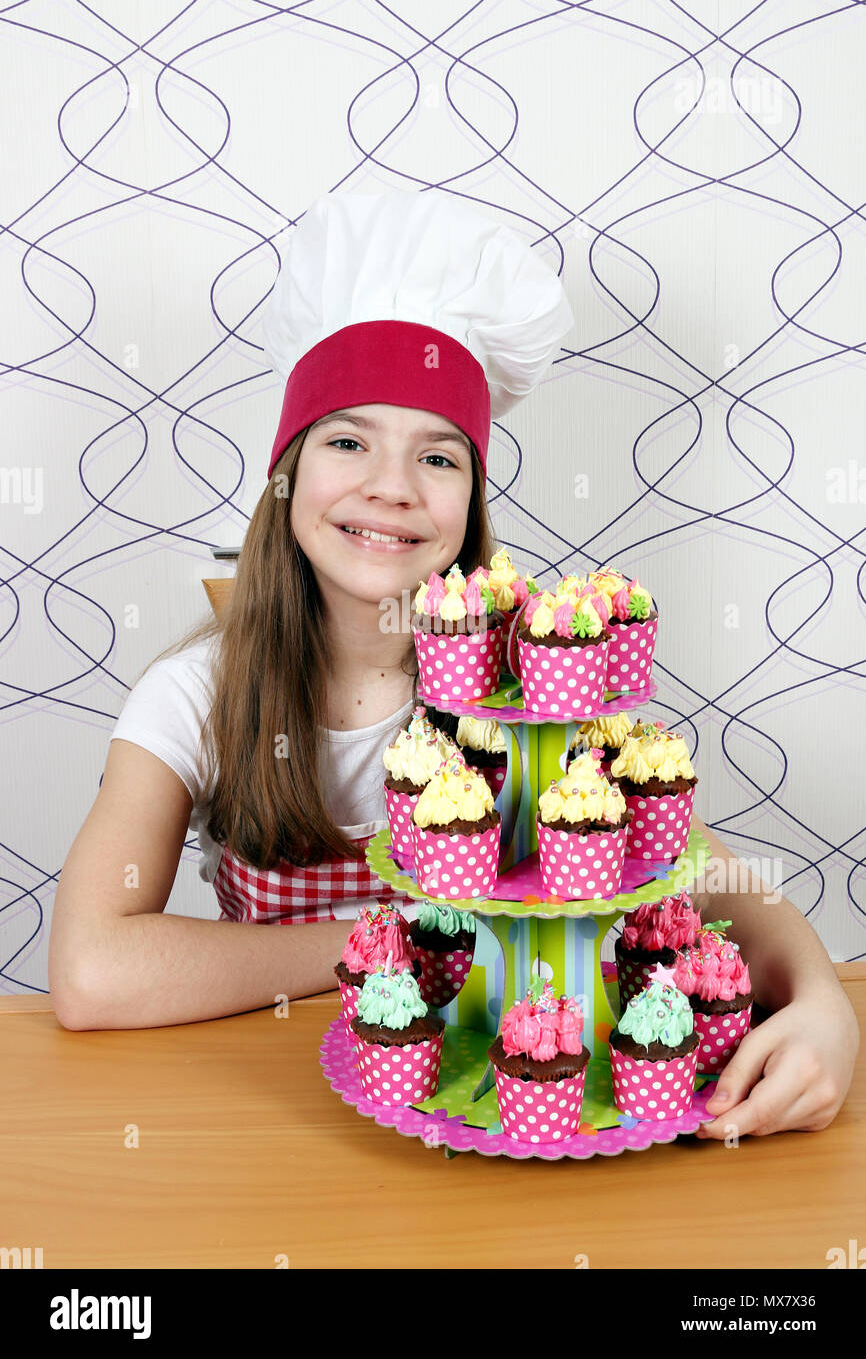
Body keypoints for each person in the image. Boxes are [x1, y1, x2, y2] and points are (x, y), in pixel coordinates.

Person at [48, 192, 859, 1139]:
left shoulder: (534, 690)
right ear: (286, 475)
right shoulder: (198, 697)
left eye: (437, 457)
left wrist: (824, 1005)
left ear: (471, 499)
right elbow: (93, 971)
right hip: (279, 1106)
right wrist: (384, 949)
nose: (390, 487)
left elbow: (705, 877)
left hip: (506, 1094)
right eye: (347, 441)